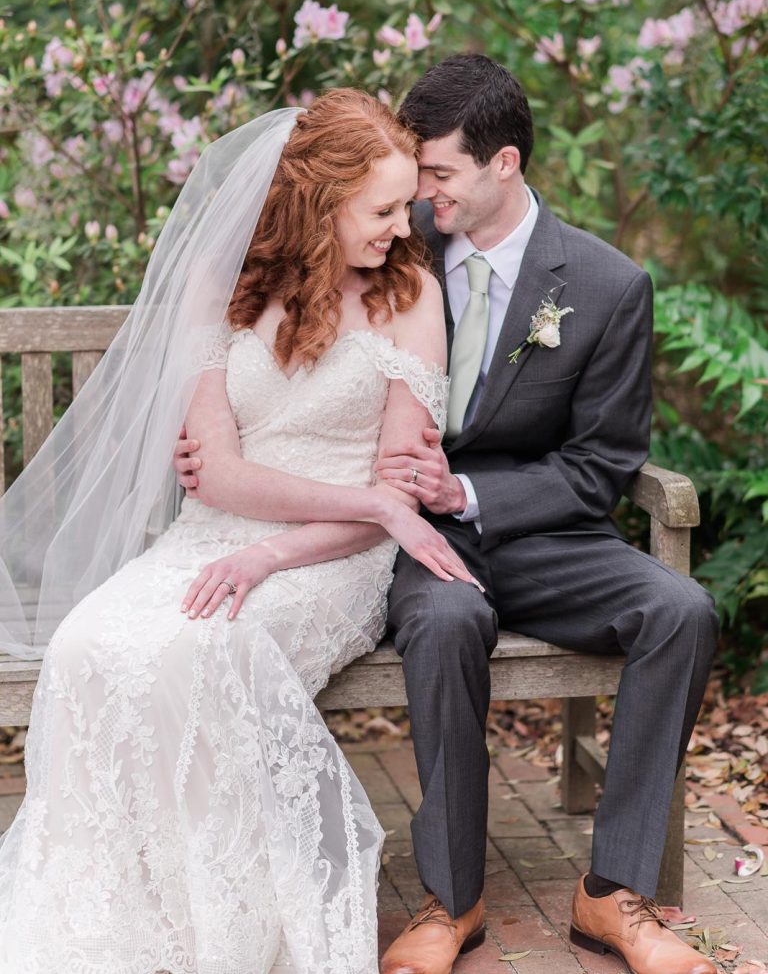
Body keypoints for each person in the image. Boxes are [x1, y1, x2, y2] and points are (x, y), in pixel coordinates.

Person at [175, 56, 721, 974]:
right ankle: (453, 901)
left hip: (541, 532)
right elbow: (281, 320)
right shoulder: (394, 241)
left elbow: (601, 467)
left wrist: (463, 492)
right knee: (450, 621)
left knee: (683, 609)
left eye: (438, 174)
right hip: (405, 545)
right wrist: (215, 450)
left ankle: (613, 894)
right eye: (412, 178)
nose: (419, 196)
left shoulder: (606, 283)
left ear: (503, 164)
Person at [0, 88, 481, 974]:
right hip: (210, 532)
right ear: (318, 201)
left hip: (330, 559)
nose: (400, 226)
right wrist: (371, 501)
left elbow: (393, 491)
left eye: (405, 203)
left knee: (204, 652)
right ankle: (131, 906)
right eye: (380, 209)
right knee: (86, 646)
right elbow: (215, 471)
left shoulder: (408, 296)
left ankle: (234, 917)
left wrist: (301, 538)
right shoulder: (222, 286)